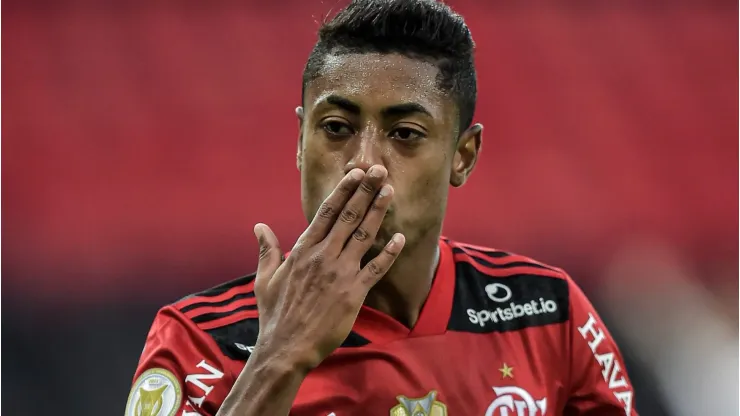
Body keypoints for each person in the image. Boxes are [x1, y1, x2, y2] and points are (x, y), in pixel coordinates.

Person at [124, 1, 638, 415]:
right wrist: (278, 358)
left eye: (405, 134)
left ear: (463, 156)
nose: (363, 164)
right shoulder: (199, 342)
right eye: (336, 129)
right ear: (300, 141)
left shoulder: (547, 314)